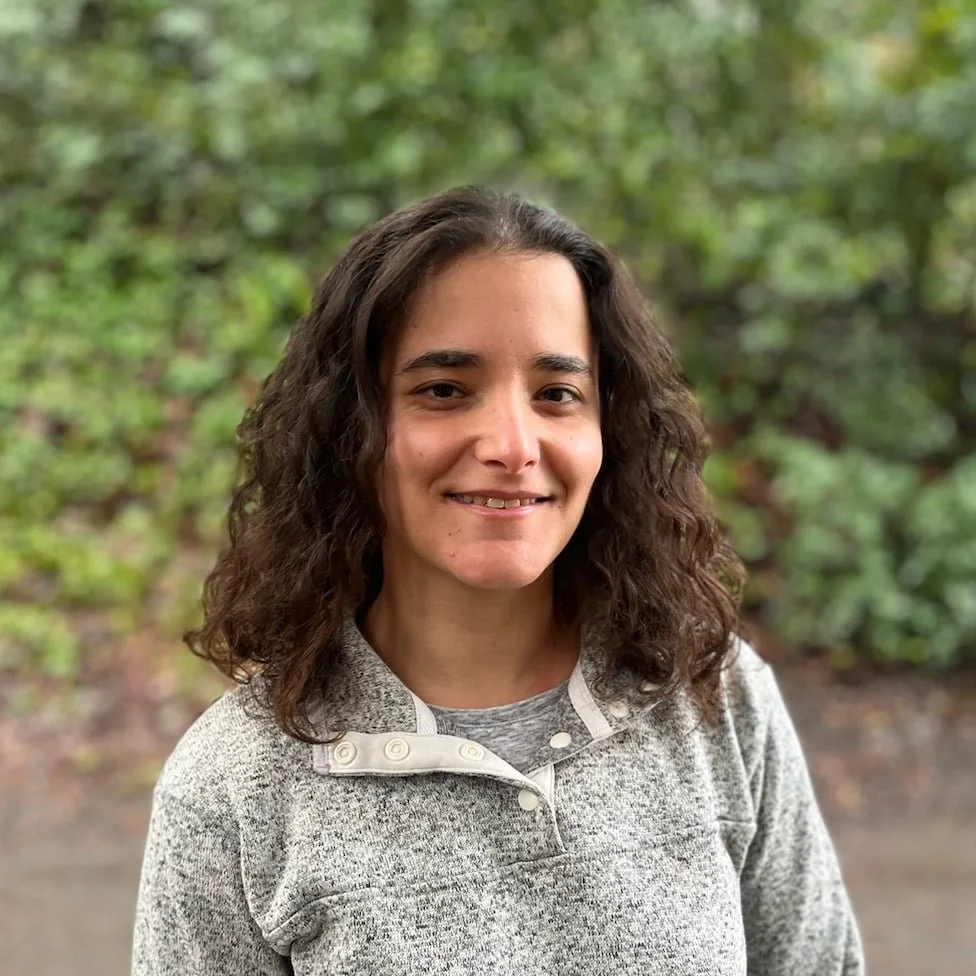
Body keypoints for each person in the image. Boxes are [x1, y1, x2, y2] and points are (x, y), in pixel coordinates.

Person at [132, 186, 864, 975]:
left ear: (607, 430)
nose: (514, 445)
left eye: (557, 395)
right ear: (351, 429)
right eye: (444, 391)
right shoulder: (233, 787)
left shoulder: (714, 698)